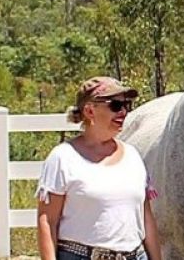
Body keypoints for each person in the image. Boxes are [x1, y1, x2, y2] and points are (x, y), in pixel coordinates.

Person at [37, 77, 162, 260]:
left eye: (126, 105)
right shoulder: (63, 158)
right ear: (89, 110)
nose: (124, 112)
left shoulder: (133, 156)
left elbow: (146, 218)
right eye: (116, 105)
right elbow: (47, 221)